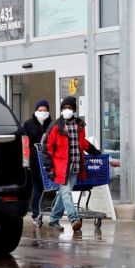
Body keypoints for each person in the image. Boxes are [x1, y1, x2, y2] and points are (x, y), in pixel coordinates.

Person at [41, 96, 100, 232]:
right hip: (60, 167)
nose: (67, 110)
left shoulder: (79, 125)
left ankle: (53, 219)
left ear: (74, 110)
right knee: (66, 192)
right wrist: (49, 167)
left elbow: (82, 142)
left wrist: (94, 151)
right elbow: (47, 147)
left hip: (75, 166)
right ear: (61, 110)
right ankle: (73, 219)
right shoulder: (56, 125)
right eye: (65, 108)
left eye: (70, 108)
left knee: (63, 194)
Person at [22, 99, 52, 223]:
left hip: (49, 162)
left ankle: (51, 211)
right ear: (36, 111)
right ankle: (36, 213)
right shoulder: (28, 124)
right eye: (40, 110)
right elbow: (24, 143)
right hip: (34, 162)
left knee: (51, 189)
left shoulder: (52, 124)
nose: (43, 112)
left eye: (45, 110)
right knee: (36, 188)